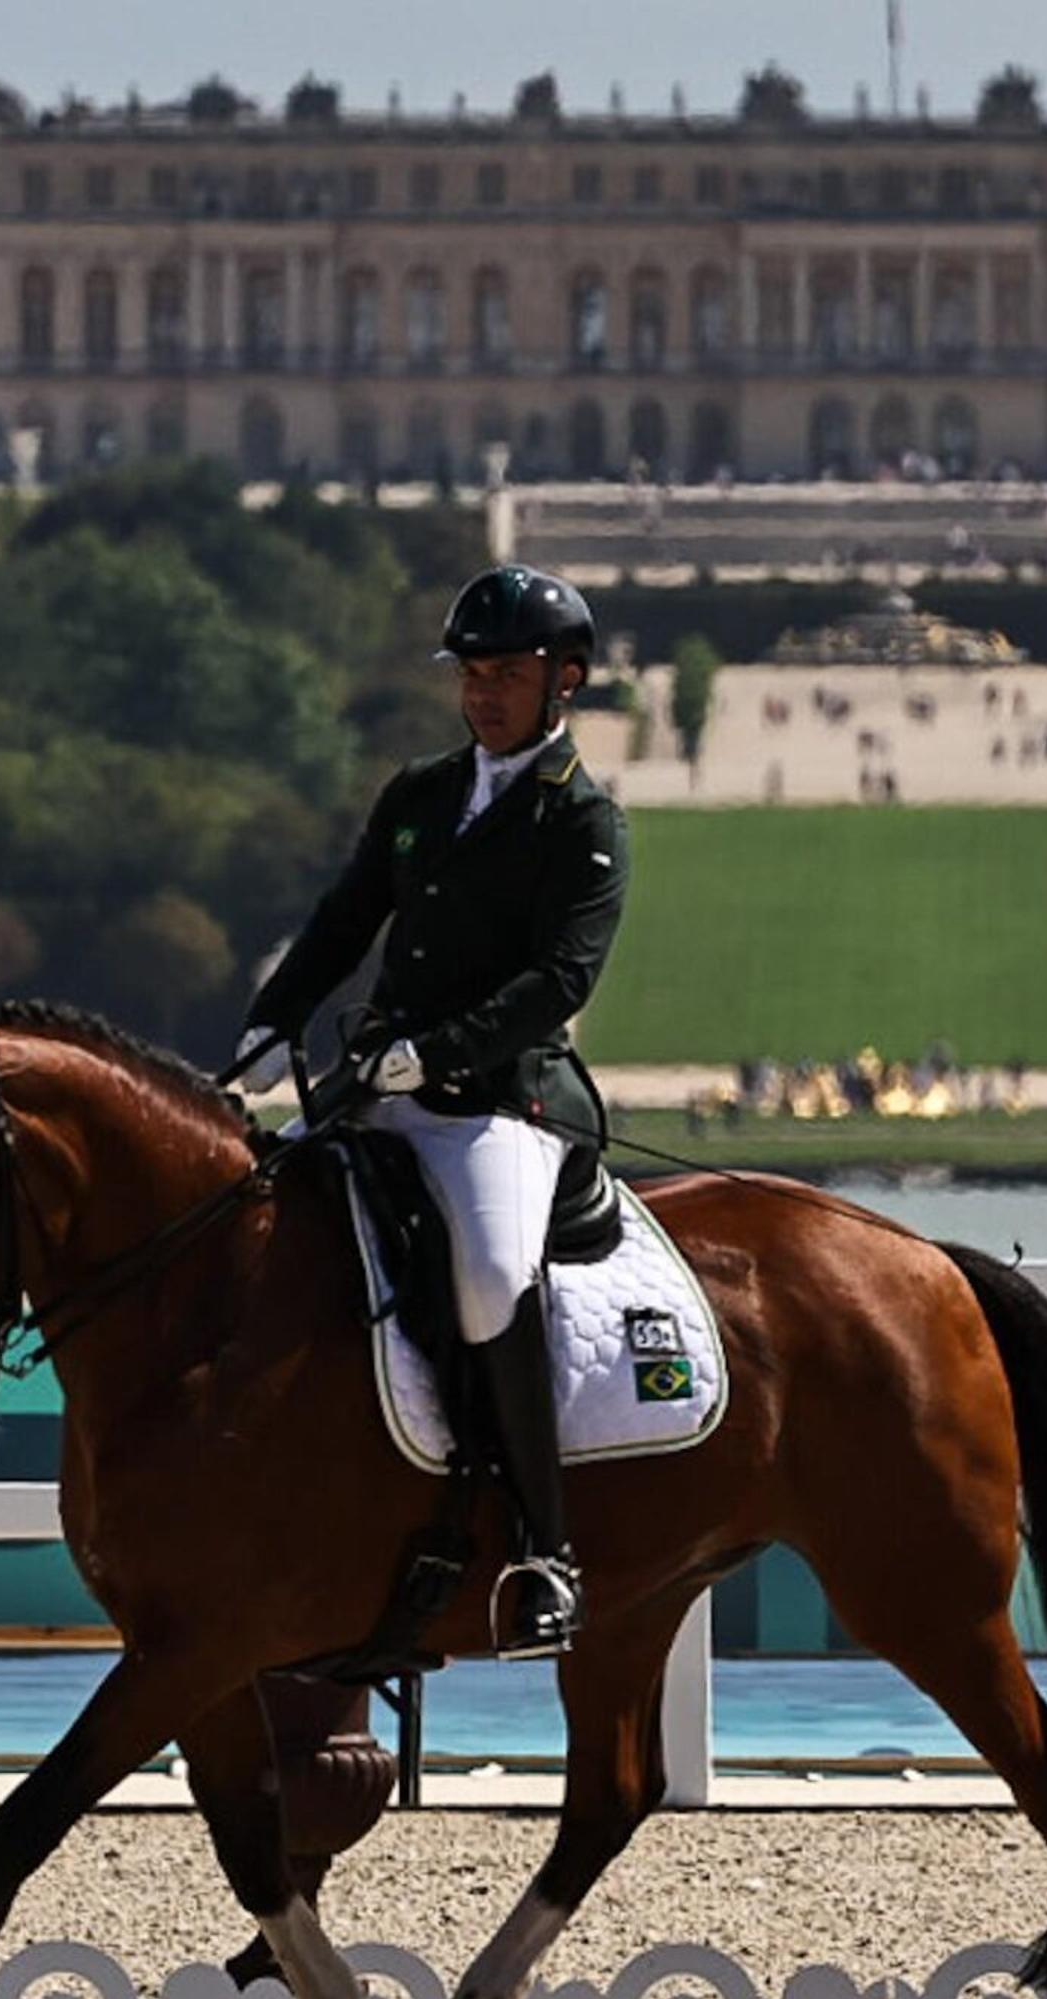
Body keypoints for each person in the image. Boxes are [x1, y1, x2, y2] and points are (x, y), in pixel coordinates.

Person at [235, 564, 627, 1660]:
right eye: (472, 672)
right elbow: (344, 918)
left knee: (494, 1274)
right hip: (380, 1086)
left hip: (504, 1105)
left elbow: (559, 982)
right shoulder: (418, 794)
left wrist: (435, 1055)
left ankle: (547, 1552)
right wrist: (275, 1021)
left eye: (507, 673)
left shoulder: (583, 821)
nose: (483, 693)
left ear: (566, 682)